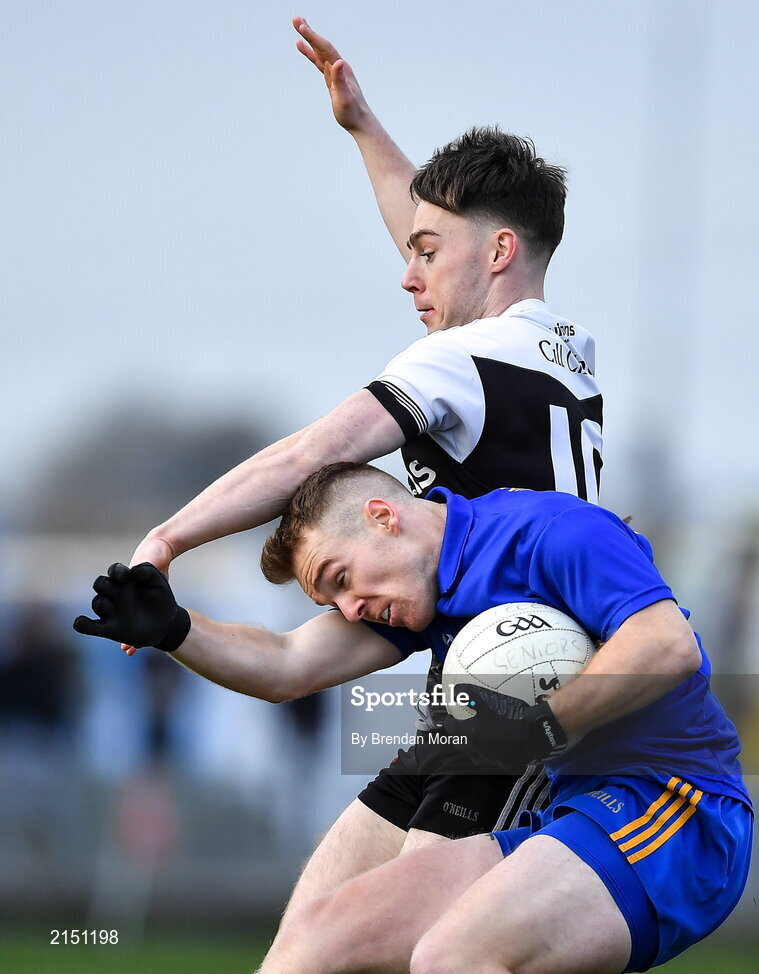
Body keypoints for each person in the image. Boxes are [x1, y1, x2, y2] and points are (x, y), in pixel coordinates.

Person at [120, 17, 603, 921]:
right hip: (486, 686)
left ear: (497, 253)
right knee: (311, 934)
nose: (408, 273)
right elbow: (294, 662)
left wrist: (169, 537)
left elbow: (315, 451)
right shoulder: (551, 358)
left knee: (410, 941)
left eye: (424, 255)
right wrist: (363, 130)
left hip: (512, 688)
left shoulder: (461, 366)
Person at [75, 462, 752, 973]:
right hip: (575, 814)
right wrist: (175, 629)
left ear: (382, 516)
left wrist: (539, 725)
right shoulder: (426, 588)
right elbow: (286, 663)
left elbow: (667, 644)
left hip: (678, 810)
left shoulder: (550, 533)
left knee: (446, 959)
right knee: (306, 952)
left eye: (340, 579)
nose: (348, 608)